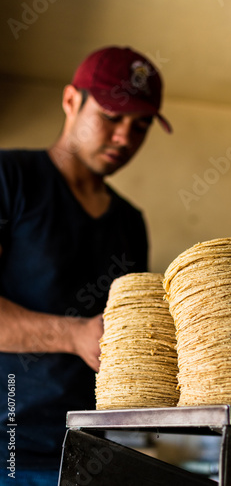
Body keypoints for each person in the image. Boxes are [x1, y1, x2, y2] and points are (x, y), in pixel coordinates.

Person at [0, 46, 171, 485]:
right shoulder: (11, 178)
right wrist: (75, 334)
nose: (124, 138)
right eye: (112, 116)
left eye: (141, 125)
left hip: (100, 454)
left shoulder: (131, 222)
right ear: (71, 101)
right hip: (12, 453)